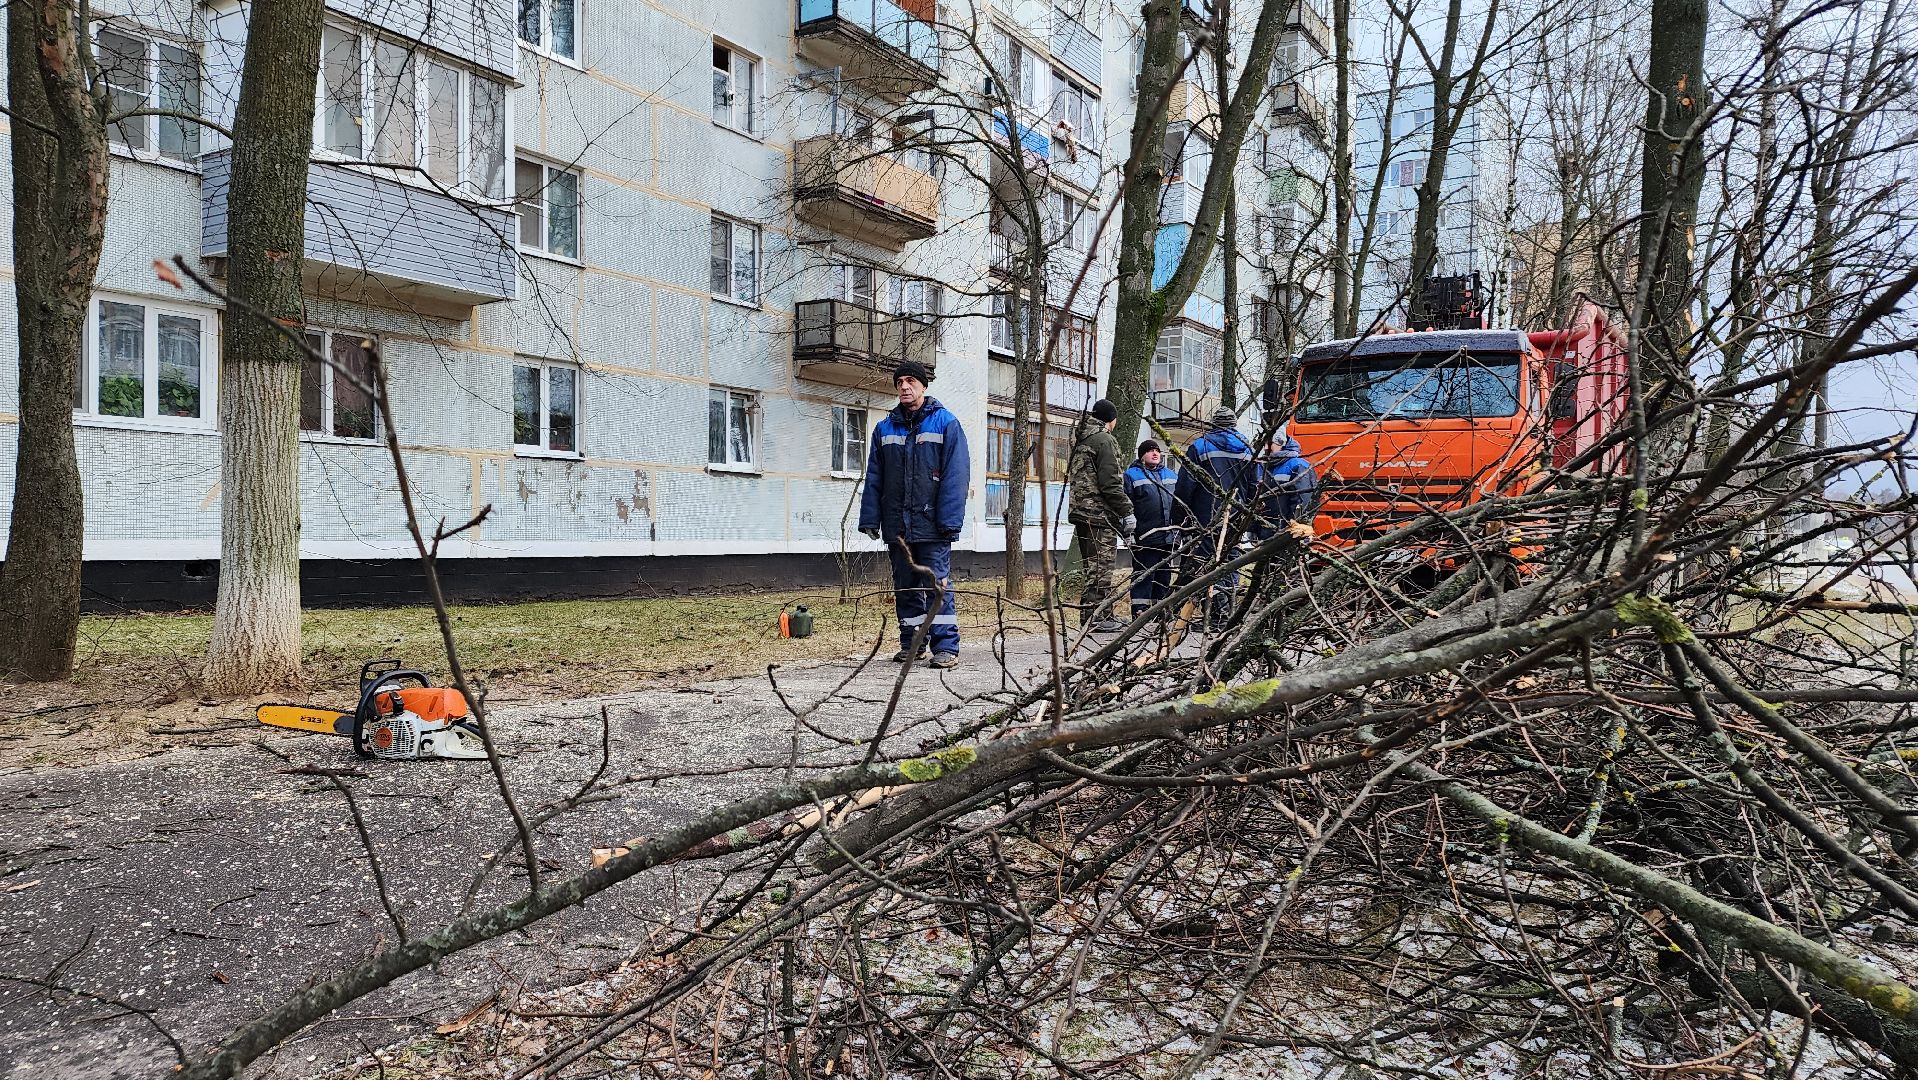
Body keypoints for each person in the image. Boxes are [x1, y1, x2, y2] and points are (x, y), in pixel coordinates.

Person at [858, 361, 971, 669]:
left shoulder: (946, 423)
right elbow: (875, 477)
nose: (905, 387)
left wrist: (949, 521)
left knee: (937, 586)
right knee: (905, 587)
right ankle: (912, 644)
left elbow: (956, 476)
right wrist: (870, 519)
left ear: (923, 385)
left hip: (933, 525)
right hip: (898, 526)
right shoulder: (884, 429)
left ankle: (945, 647)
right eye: (900, 382)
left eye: (911, 381)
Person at [1173, 406, 1258, 627]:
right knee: (1230, 562)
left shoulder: (1200, 446)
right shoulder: (1247, 448)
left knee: (1204, 563)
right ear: (1233, 424)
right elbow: (1255, 486)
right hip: (1236, 516)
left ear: (1213, 424)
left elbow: (1185, 485)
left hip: (1205, 516)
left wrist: (1179, 517)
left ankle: (1212, 614)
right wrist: (1248, 517)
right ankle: (1226, 614)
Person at [1066, 398, 1134, 632]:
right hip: (1099, 514)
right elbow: (1110, 483)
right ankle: (1096, 618)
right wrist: (1126, 511)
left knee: (1092, 568)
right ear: (1111, 419)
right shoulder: (1105, 440)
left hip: (1081, 512)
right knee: (1102, 569)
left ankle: (1100, 615)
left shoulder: (1081, 439)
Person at [1123, 439, 1179, 619]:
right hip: (1144, 536)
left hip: (1168, 537)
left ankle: (1160, 611)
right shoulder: (1131, 475)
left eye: (1157, 450)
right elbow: (1125, 506)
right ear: (1142, 455)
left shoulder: (1171, 475)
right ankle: (1140, 611)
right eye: (1149, 450)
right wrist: (1128, 533)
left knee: (1164, 575)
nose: (1155, 453)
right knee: (1143, 574)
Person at [1255, 434, 1318, 542]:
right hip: (1267, 531)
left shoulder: (1298, 466)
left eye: (1270, 443)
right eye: (1264, 444)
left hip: (1287, 533)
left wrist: (1297, 531)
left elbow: (1302, 503)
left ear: (1281, 443)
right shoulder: (1266, 466)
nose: (1265, 448)